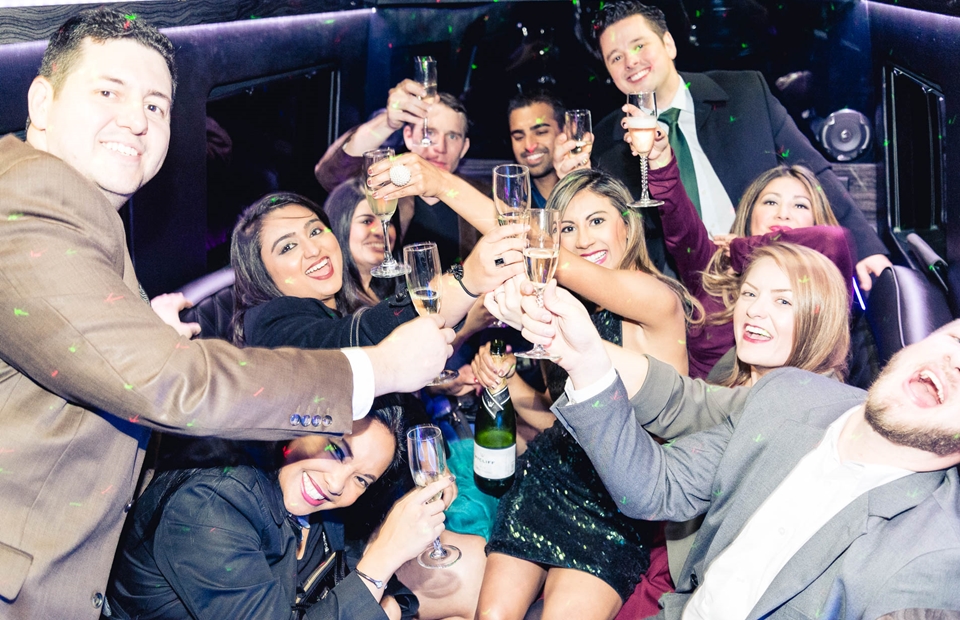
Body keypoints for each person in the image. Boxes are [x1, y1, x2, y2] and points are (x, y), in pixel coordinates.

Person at [0, 10, 454, 618]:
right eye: (108, 92)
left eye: (156, 105)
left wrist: (141, 335)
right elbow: (173, 384)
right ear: (42, 102)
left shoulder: (79, 213)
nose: (136, 119)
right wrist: (379, 369)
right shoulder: (29, 203)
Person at [515, 281, 960, 618]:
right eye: (956, 343)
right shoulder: (794, 393)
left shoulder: (938, 561)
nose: (954, 364)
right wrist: (585, 360)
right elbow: (656, 487)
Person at [471, 169, 697, 620]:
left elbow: (533, 246)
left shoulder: (655, 299)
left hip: (613, 507)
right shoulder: (565, 307)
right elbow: (566, 423)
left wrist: (435, 183)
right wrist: (510, 384)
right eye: (567, 228)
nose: (582, 239)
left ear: (627, 226)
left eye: (596, 221)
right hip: (546, 482)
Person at [588, 0, 892, 290]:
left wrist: (865, 246)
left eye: (639, 45)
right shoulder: (605, 142)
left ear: (668, 44)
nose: (631, 62)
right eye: (615, 57)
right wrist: (573, 179)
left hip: (767, 273)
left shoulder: (744, 95)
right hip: (673, 297)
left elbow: (813, 171)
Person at [107, 401, 454, 619]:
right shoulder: (211, 505)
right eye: (335, 450)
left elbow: (374, 583)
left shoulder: (317, 506)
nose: (337, 483)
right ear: (302, 424)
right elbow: (367, 579)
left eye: (361, 479)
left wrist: (387, 598)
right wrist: (380, 562)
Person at [645, 138, 854, 378]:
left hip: (792, 399)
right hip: (708, 399)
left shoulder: (824, 278)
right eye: (771, 202)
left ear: (816, 220)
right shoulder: (714, 265)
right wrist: (660, 162)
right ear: (749, 212)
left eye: (800, 206)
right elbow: (680, 224)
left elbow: (835, 239)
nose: (783, 214)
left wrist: (745, 248)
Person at [315, 83, 475, 270]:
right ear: (408, 137)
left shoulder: (481, 196)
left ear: (464, 147)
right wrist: (388, 123)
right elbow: (331, 175)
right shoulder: (387, 188)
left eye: (453, 136)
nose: (440, 147)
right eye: (429, 133)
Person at [324, 178, 399, 313]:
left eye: (387, 220)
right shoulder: (333, 306)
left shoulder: (392, 289)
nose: (382, 231)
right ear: (340, 226)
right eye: (366, 221)